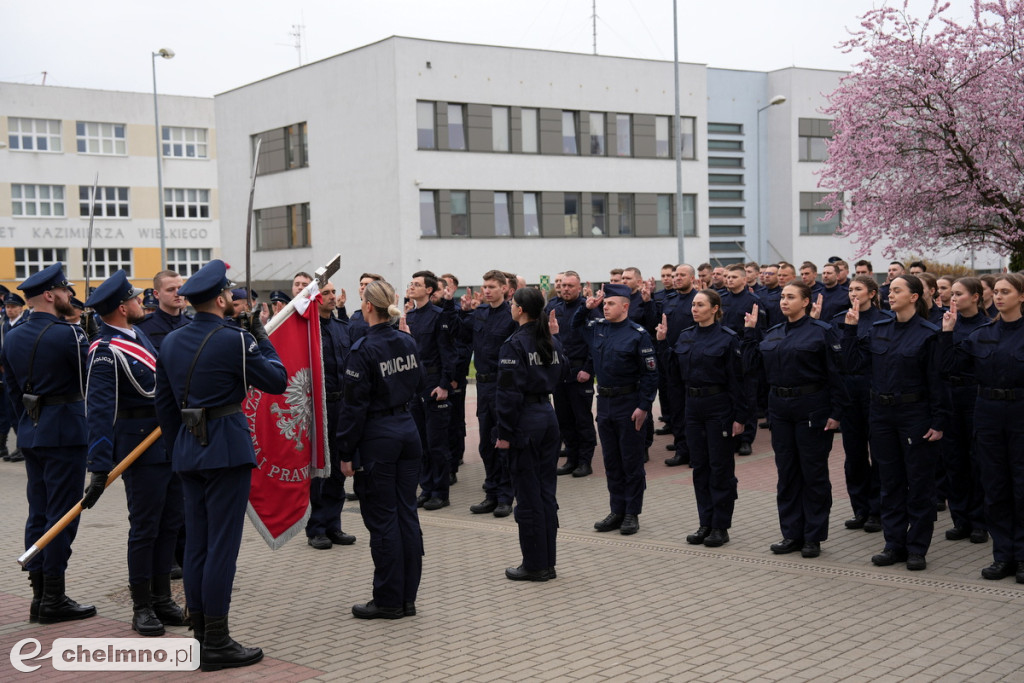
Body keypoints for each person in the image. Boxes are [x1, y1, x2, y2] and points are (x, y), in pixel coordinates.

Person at [154, 259, 286, 671]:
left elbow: (164, 406)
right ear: (222, 297)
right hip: (226, 450)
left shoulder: (172, 341)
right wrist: (259, 334)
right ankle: (216, 640)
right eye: (229, 292)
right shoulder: (234, 338)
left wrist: (183, 443)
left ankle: (198, 631)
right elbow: (278, 380)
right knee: (221, 548)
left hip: (188, 451)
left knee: (197, 544)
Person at [82, 270, 185, 636]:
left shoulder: (137, 333)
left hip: (167, 443)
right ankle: (142, 606)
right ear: (122, 307)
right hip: (138, 450)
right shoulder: (105, 350)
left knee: (170, 524)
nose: (142, 302)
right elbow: (99, 410)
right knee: (145, 528)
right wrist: (98, 465)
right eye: (135, 299)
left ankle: (162, 598)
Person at [2, 263, 95, 624]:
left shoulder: (13, 336)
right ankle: (54, 596)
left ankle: (39, 595)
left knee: (38, 510)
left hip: (32, 431)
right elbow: (90, 381)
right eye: (65, 291)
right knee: (63, 514)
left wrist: (27, 422)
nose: (70, 296)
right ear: (50, 295)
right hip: (66, 432)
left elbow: (13, 390)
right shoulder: (68, 335)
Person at [842, 274, 947, 571]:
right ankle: (894, 543)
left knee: (919, 483)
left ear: (914, 297)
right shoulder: (878, 329)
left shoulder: (928, 333)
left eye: (897, 290)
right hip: (882, 414)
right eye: (889, 290)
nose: (890, 294)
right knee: (889, 481)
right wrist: (849, 331)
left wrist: (939, 421)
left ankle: (917, 547)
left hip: (915, 414)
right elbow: (851, 364)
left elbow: (937, 382)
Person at [338, 280, 425, 618]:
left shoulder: (363, 350)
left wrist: (346, 452)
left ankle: (388, 600)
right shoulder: (407, 340)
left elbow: (353, 408)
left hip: (379, 438)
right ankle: (407, 598)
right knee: (406, 514)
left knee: (384, 519)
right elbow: (419, 384)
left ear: (368, 307)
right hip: (406, 430)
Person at [743, 282, 846, 559]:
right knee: (787, 473)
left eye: (791, 297)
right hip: (780, 409)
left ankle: (813, 536)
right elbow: (752, 366)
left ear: (806, 302)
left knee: (813, 474)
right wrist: (750, 333)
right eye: (783, 297)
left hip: (812, 407)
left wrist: (836, 413)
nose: (784, 301)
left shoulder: (821, 332)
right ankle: (792, 533)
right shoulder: (774, 333)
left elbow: (837, 374)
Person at [941, 273, 1024, 582]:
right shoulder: (981, 334)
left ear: (1021, 296)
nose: (999, 296)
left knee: (1021, 487)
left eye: (1006, 291)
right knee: (996, 487)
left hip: (1019, 414)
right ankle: (1003, 556)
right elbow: (949, 368)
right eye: (997, 291)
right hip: (987, 414)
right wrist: (947, 334)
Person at [658, 290, 746, 547]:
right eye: (693, 305)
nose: (694, 309)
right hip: (692, 406)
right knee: (700, 467)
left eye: (700, 305)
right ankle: (704, 522)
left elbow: (738, 381)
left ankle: (720, 525)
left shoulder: (728, 339)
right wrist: (662, 342)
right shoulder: (686, 336)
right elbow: (672, 373)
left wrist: (740, 416)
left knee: (720, 467)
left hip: (718, 405)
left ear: (715, 308)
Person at [573, 284, 658, 535]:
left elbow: (651, 375)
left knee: (631, 461)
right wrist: (584, 308)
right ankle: (616, 510)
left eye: (610, 303)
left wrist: (644, 406)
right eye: (604, 303)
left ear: (625, 306)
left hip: (629, 403)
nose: (605, 307)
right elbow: (575, 327)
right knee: (611, 461)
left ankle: (632, 513)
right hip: (606, 403)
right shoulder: (598, 328)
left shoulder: (637, 334)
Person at [497, 287, 564, 581]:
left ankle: (535, 565)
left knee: (528, 496)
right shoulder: (551, 340)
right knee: (546, 492)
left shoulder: (514, 345)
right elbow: (566, 373)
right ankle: (547, 561)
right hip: (548, 417)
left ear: (521, 310)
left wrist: (504, 432)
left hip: (526, 421)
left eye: (513, 303)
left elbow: (508, 394)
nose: (511, 307)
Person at [452, 270, 518, 517]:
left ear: (505, 289)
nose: (487, 290)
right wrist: (462, 311)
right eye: (485, 286)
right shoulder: (479, 313)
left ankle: (505, 496)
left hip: (504, 384)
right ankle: (491, 494)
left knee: (503, 440)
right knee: (485, 443)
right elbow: (458, 334)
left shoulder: (512, 315)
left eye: (492, 286)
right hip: (483, 385)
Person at [832, 275, 888, 534]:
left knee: (879, 454)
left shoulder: (885, 320)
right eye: (850, 289)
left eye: (858, 289)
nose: (853, 293)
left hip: (875, 392)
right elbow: (838, 360)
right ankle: (860, 509)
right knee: (854, 455)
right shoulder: (839, 320)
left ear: (872, 293)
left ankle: (877, 510)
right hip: (849, 394)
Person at [937, 277, 988, 545]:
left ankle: (979, 522)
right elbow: (941, 364)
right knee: (953, 461)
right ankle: (961, 520)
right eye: (951, 293)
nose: (953, 298)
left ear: (976, 297)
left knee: (976, 460)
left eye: (959, 294)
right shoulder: (946, 323)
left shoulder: (987, 326)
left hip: (975, 395)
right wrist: (947, 332)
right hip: (949, 396)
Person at [306, 281, 357, 549]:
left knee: (339, 467)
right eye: (325, 293)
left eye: (332, 292)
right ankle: (316, 528)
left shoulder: (341, 327)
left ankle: (334, 525)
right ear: (313, 299)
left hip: (342, 406)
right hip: (319, 407)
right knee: (319, 471)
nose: (331, 296)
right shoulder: (307, 330)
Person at [404, 271, 455, 510]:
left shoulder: (438, 316)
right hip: (415, 385)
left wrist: (444, 384)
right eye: (411, 284)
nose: (412, 287)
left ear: (429, 290)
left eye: (417, 284)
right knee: (420, 443)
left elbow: (448, 353)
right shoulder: (409, 316)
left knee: (437, 444)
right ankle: (426, 488)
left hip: (434, 383)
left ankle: (440, 492)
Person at [547, 271, 597, 478]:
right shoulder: (554, 309)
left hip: (580, 371)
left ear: (579, 288)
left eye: (570, 286)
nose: (565, 289)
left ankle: (585, 462)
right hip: (560, 372)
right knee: (564, 419)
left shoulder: (589, 310)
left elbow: (597, 342)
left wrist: (588, 368)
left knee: (582, 419)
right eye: (563, 285)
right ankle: (572, 459)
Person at [721, 264, 765, 455]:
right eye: (728, 277)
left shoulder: (753, 301)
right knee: (730, 395)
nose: (729, 280)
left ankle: (746, 438)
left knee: (748, 395)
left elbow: (760, 330)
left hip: (746, 351)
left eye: (733, 277)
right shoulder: (722, 299)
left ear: (744, 280)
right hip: (725, 352)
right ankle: (732, 435)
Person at [659, 265, 697, 465]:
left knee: (694, 409)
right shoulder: (669, 300)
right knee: (677, 407)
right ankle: (682, 449)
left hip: (694, 360)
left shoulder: (699, 299)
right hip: (673, 360)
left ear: (692, 277)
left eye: (682, 275)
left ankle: (696, 450)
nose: (677, 278)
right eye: (675, 275)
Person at [441, 272, 470, 486]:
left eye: (448, 286)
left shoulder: (458, 312)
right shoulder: (438, 311)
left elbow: (461, 346)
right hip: (437, 378)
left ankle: (455, 458)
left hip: (454, 377)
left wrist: (455, 376)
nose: (444, 289)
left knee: (455, 419)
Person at [136, 270, 190, 352]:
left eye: (180, 288)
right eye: (170, 289)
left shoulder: (191, 324)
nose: (177, 293)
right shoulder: (141, 327)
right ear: (156, 294)